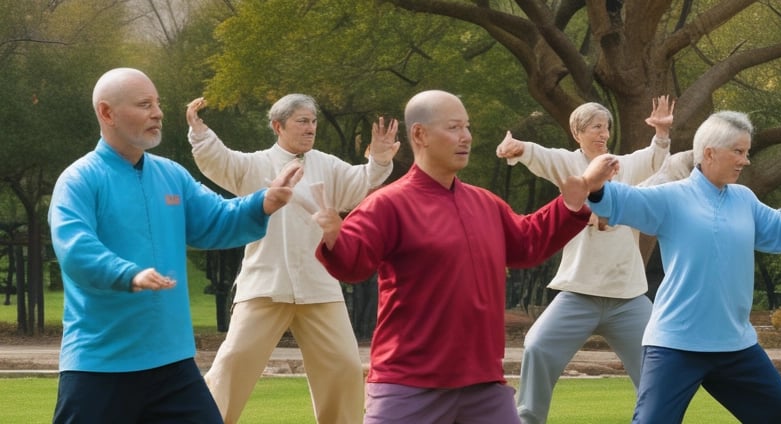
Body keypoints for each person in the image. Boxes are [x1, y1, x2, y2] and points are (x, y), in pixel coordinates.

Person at [313, 90, 593, 424]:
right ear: (420, 134)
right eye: (454, 127)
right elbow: (353, 264)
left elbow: (527, 243)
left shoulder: (485, 203)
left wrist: (569, 206)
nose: (466, 137)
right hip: (409, 385)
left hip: (483, 386)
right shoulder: (388, 204)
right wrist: (333, 236)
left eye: (467, 127)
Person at [48, 67, 303, 423]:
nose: (158, 113)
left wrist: (263, 203)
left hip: (173, 365)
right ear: (107, 113)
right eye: (144, 104)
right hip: (99, 366)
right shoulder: (79, 180)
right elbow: (75, 249)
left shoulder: (171, 175)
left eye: (157, 103)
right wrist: (129, 274)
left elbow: (216, 219)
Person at [576, 110, 781, 423]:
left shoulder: (744, 199)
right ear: (709, 153)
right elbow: (625, 201)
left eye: (746, 152)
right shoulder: (672, 197)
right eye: (738, 151)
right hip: (675, 345)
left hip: (735, 346)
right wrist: (596, 186)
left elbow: (777, 231)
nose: (745, 160)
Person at [185, 94, 399, 424]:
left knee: (343, 367)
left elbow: (360, 184)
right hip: (264, 284)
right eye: (302, 121)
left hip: (320, 286)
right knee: (234, 362)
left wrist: (380, 161)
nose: (310, 127)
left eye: (313, 121)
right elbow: (220, 161)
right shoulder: (254, 164)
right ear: (277, 126)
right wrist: (201, 133)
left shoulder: (327, 164)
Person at [495, 96, 673, 424]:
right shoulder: (568, 163)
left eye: (606, 127)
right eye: (595, 127)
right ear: (578, 132)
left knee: (659, 360)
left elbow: (652, 159)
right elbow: (539, 155)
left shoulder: (621, 165)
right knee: (537, 346)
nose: (603, 133)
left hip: (628, 298)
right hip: (579, 294)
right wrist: (516, 148)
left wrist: (661, 134)